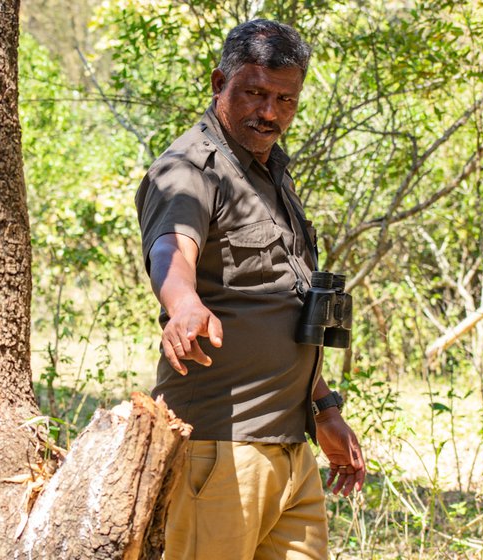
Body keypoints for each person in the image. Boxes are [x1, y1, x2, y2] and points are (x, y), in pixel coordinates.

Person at [135, 19, 365, 560]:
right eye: (255, 93)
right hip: (218, 450)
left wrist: (325, 409)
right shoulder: (189, 168)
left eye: (285, 99)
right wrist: (183, 304)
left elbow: (279, 305)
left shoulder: (270, 173)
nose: (270, 113)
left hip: (291, 447)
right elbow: (172, 246)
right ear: (220, 82)